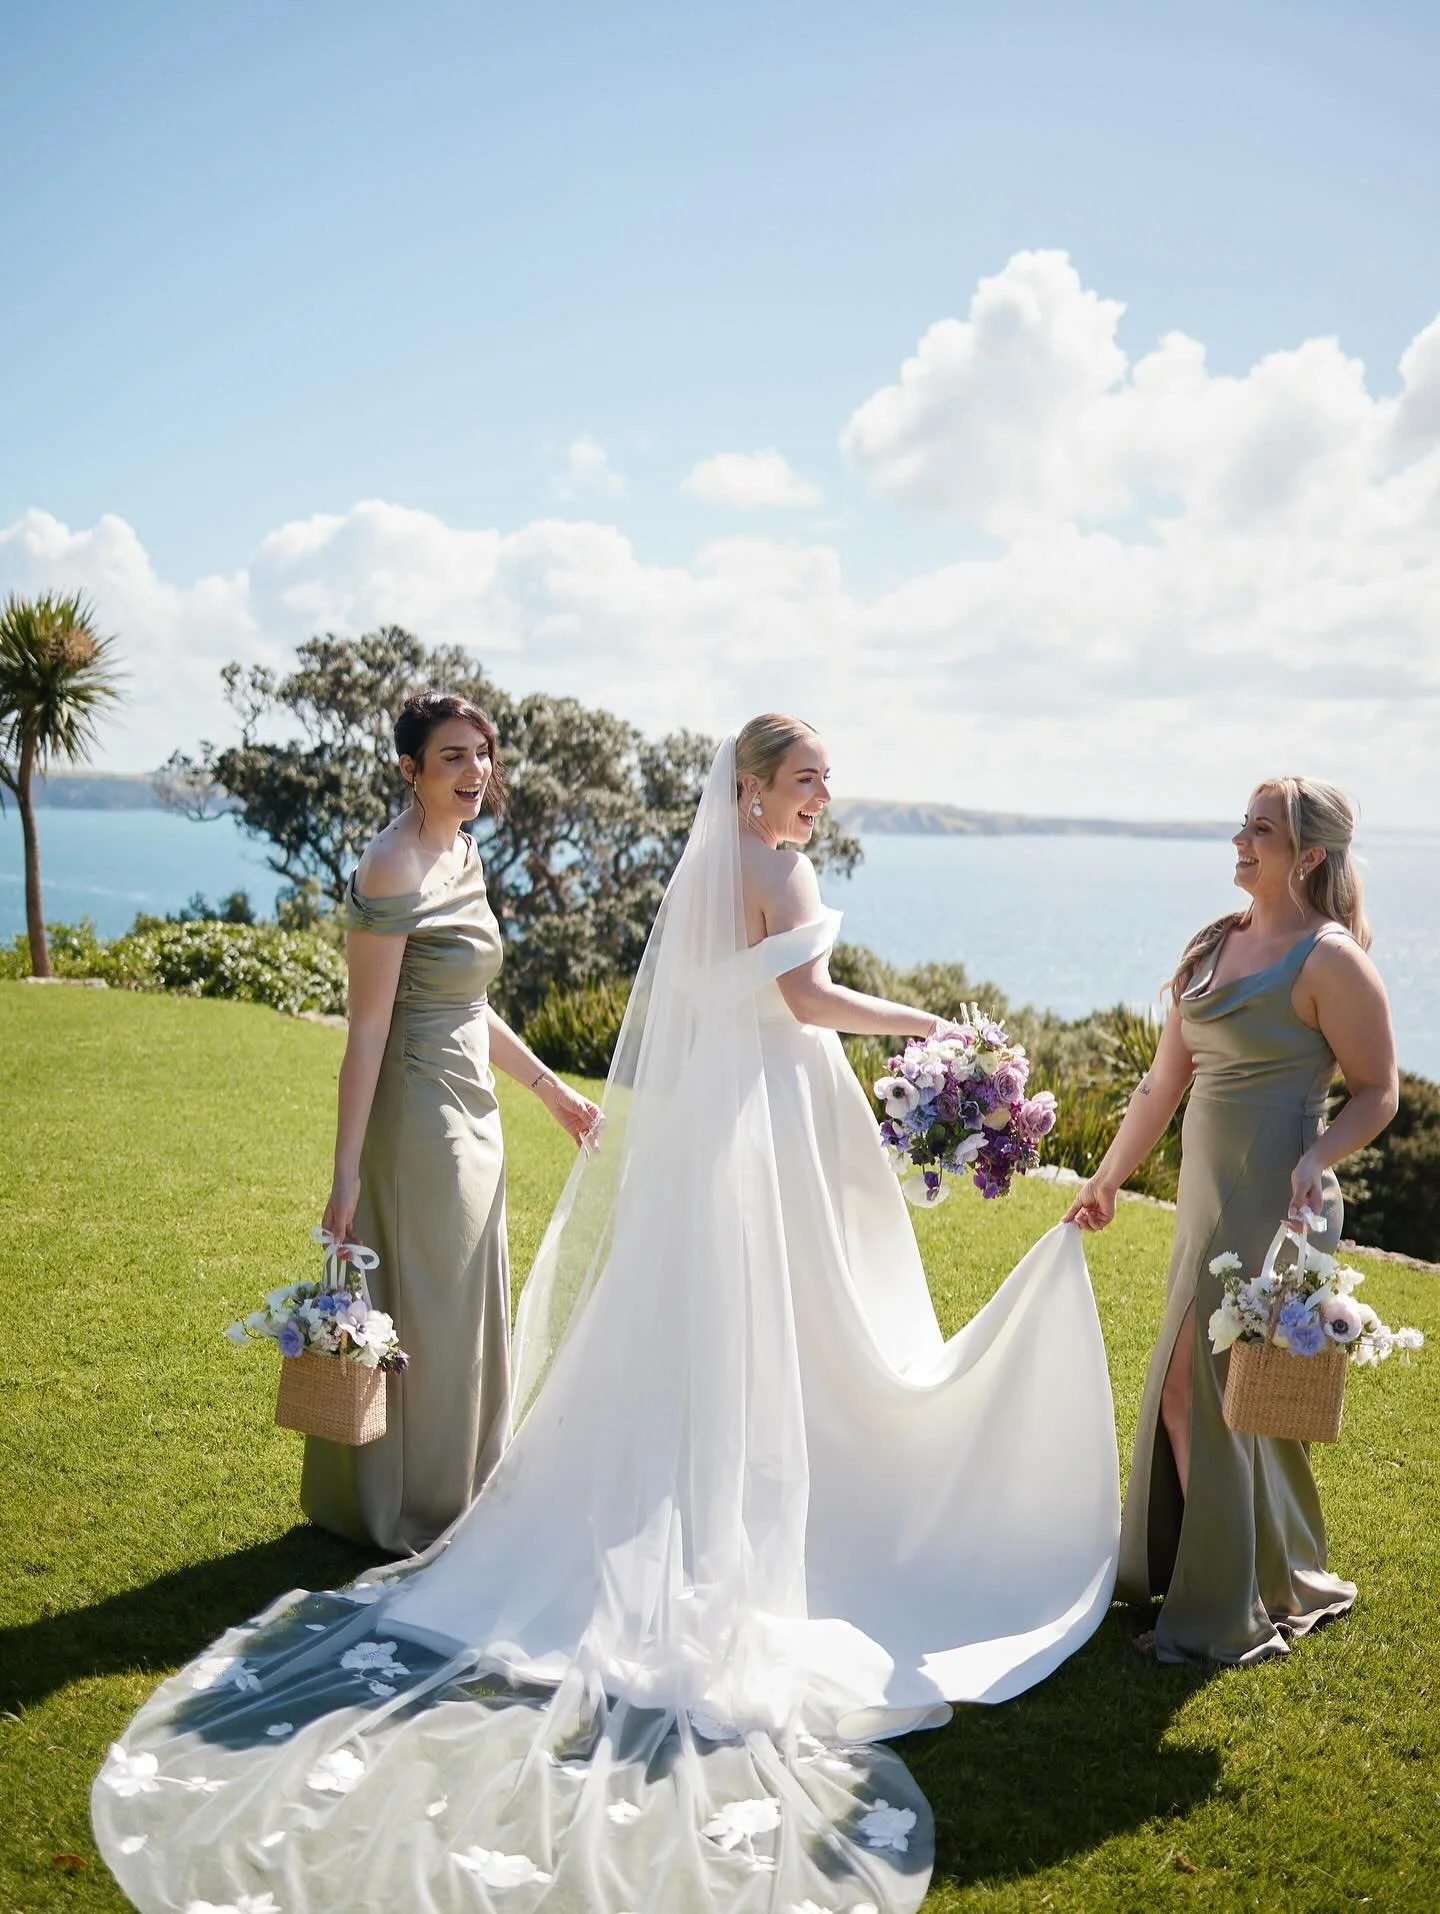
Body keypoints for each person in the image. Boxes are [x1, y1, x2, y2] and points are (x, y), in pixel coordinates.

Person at [93, 718, 1119, 1914]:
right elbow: (804, 999)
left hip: (719, 1129)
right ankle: (782, 1502)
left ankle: (626, 1499)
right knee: (800, 1322)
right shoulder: (776, 870)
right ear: (751, 788)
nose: (820, 799)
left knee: (702, 1326)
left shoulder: (714, 871)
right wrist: (923, 1028)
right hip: (775, 1120)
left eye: (825, 782)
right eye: (804, 780)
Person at [1064, 776, 1398, 1663]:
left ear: (1309, 856)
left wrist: (1317, 1159)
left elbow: (1379, 1092)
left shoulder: (1330, 960)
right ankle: (1257, 1578)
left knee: (1211, 1394)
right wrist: (1107, 1178)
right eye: (1242, 825)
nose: (1241, 841)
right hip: (1205, 1202)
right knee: (1212, 1396)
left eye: (1262, 831)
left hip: (1277, 1204)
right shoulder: (1213, 945)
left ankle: (1225, 1610)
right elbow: (1161, 1083)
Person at [301, 690, 600, 1554]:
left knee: (466, 1303)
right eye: (453, 758)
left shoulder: (464, 851)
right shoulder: (390, 865)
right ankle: (411, 1506)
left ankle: (465, 1483)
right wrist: (345, 1178)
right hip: (418, 1118)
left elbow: (468, 1001)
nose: (476, 772)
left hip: (476, 1108)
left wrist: (548, 1089)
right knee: (431, 1308)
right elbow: (365, 1033)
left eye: (482, 753)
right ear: (411, 769)